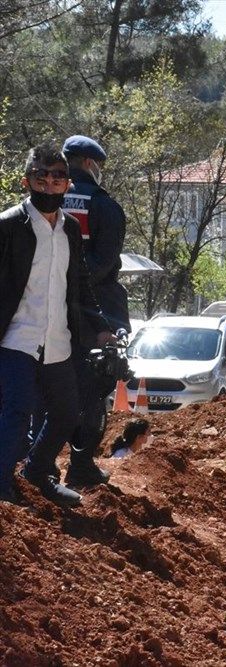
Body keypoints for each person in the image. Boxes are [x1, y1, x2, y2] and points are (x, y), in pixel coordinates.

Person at [0, 143, 113, 506]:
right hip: (15, 338)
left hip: (58, 340)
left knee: (66, 411)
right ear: (26, 181)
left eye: (56, 179)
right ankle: (2, 488)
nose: (48, 186)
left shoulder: (69, 231)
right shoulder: (8, 227)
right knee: (16, 412)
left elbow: (80, 285)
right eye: (40, 178)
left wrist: (101, 328)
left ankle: (38, 470)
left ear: (67, 184)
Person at [61, 134, 130, 487]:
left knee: (51, 384)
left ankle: (35, 459)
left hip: (50, 306)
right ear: (90, 163)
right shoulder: (103, 205)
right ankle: (81, 463)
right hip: (95, 311)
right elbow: (105, 262)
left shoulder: (47, 199)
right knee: (96, 386)